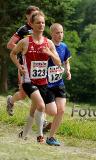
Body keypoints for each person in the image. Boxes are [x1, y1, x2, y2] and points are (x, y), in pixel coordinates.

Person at [10, 11, 61, 143]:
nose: (41, 25)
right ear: (31, 24)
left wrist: (50, 52)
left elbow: (58, 62)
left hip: (43, 82)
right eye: (38, 22)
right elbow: (13, 54)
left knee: (35, 110)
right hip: (28, 80)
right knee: (41, 106)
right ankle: (40, 136)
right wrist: (19, 65)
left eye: (43, 22)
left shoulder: (48, 43)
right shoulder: (25, 41)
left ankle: (23, 134)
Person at [6, 5, 39, 116]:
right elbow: (10, 44)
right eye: (32, 15)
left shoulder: (39, 28)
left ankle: (41, 121)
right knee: (23, 94)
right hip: (23, 65)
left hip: (37, 67)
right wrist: (23, 49)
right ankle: (11, 101)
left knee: (39, 92)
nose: (35, 17)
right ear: (27, 16)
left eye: (36, 15)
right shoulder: (23, 29)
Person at [45, 23, 71, 145]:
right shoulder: (46, 45)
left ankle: (51, 137)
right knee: (52, 112)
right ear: (52, 34)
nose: (60, 35)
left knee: (61, 110)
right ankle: (39, 114)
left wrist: (68, 71)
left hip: (59, 83)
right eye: (57, 32)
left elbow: (66, 61)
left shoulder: (64, 47)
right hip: (47, 84)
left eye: (61, 32)